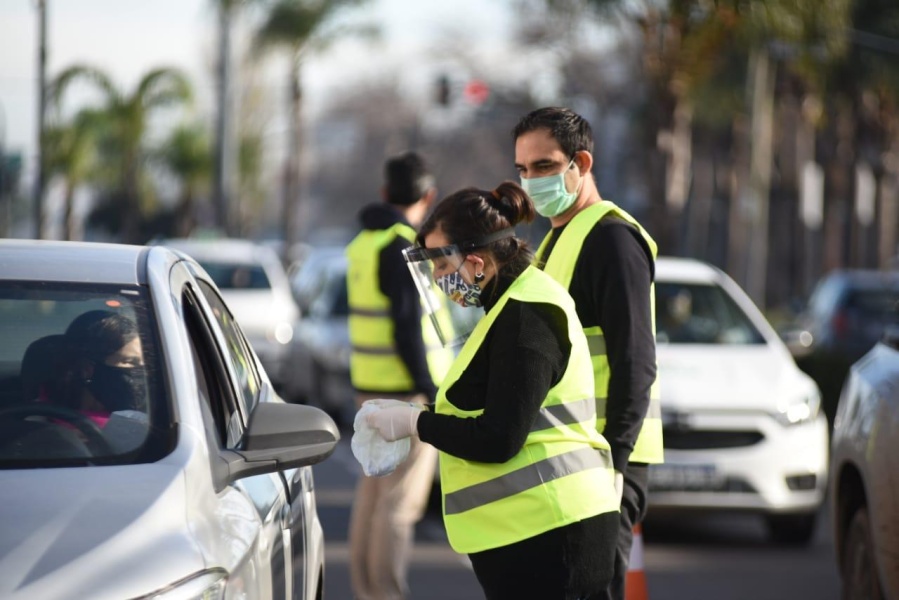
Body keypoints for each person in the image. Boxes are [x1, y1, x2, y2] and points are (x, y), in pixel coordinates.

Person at [364, 181, 620, 600]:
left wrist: (417, 422)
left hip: (554, 535)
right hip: (536, 532)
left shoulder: (527, 316)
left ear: (478, 263)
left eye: (443, 268)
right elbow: (492, 401)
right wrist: (416, 414)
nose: (439, 281)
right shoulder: (507, 306)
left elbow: (500, 437)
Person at [513, 106, 663, 600]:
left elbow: (635, 361)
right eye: (522, 170)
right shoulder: (558, 238)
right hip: (570, 460)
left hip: (603, 462)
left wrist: (615, 464)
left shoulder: (612, 240)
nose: (531, 181)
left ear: (581, 162)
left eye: (544, 167)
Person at [345, 151, 455, 600]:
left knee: (373, 498)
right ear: (428, 196)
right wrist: (431, 391)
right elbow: (408, 328)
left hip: (368, 390)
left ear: (385, 192)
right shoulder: (402, 246)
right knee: (399, 506)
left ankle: (367, 590)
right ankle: (385, 593)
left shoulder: (363, 243)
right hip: (405, 396)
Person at [63, 309, 148, 425]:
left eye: (143, 363)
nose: (142, 371)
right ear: (86, 369)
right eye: (129, 361)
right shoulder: (39, 420)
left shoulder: (145, 422)